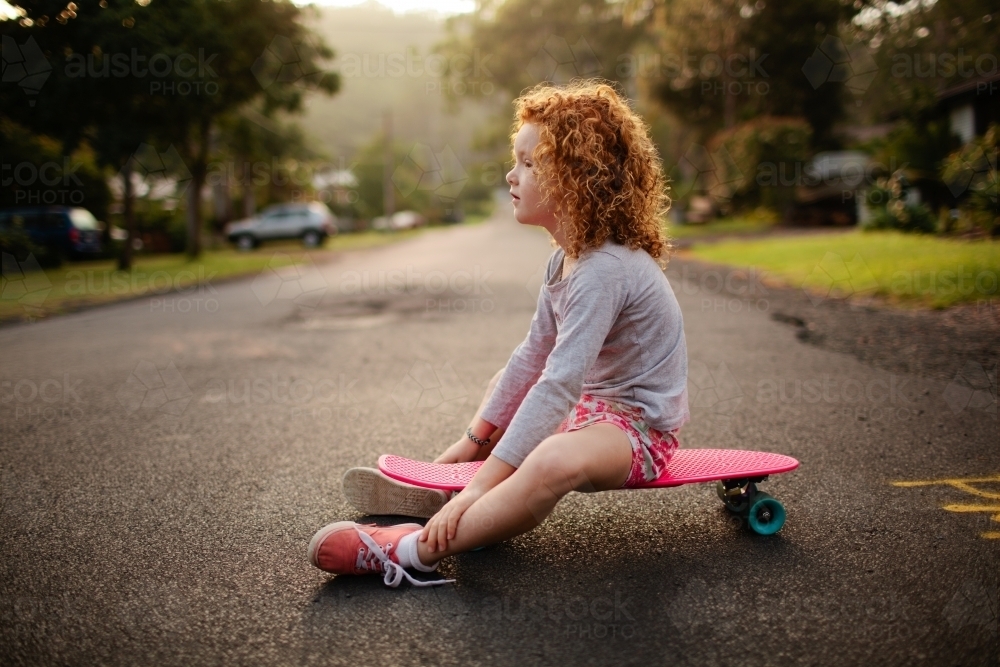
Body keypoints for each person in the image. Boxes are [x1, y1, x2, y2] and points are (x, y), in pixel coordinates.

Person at [308, 80, 690, 588]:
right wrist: (469, 446)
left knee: (553, 457)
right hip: (589, 415)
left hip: (637, 433)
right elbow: (531, 358)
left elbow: (558, 383)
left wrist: (477, 490)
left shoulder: (606, 269)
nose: (512, 174)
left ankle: (410, 551)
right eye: (518, 159)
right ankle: (449, 479)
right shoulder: (566, 259)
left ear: (577, 179)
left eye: (530, 164)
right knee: (505, 381)